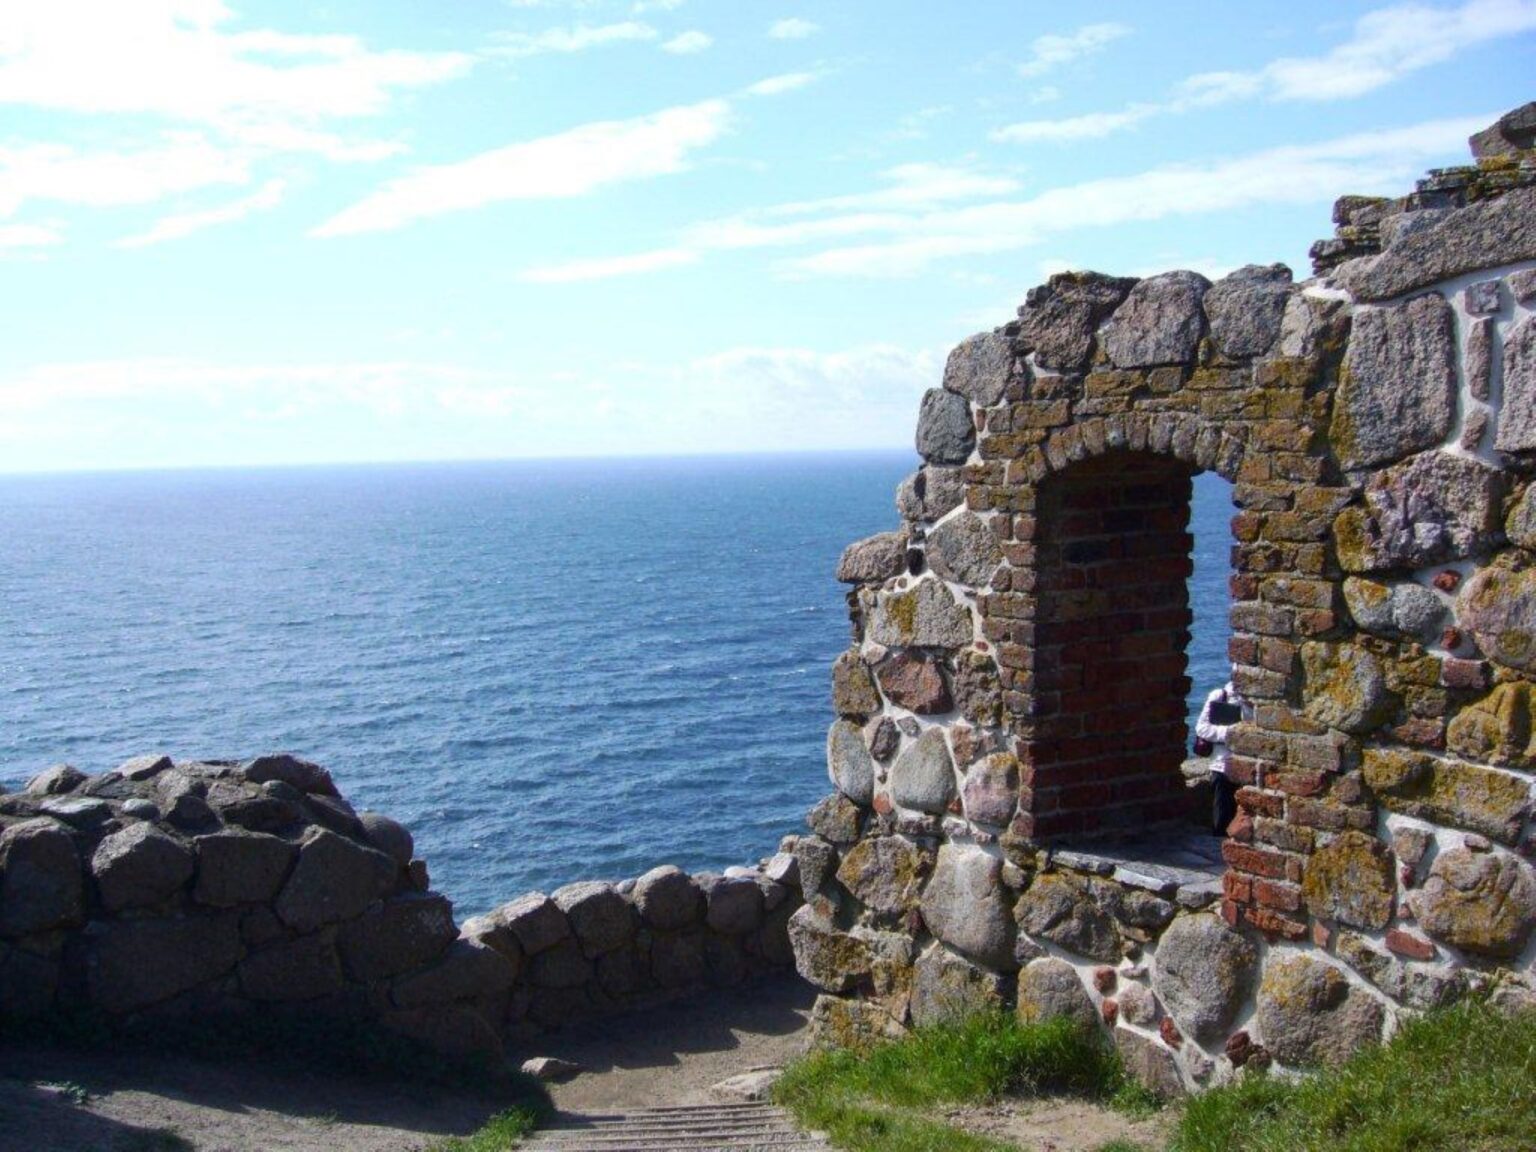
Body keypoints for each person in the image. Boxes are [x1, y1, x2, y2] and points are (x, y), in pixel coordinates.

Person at [1196, 680, 1248, 836]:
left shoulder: (1257, 702)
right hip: (1222, 765)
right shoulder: (1220, 696)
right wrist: (1231, 733)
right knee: (1222, 817)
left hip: (1248, 767)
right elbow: (1202, 729)